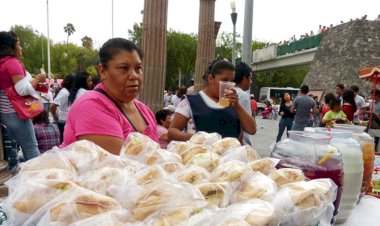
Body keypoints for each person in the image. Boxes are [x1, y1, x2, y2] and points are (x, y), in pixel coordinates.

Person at [62, 38, 158, 154]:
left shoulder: (145, 110)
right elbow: (118, 165)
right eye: (124, 68)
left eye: (138, 68)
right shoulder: (91, 106)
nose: (134, 76)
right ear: (103, 71)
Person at [168, 59, 256, 141]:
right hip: (201, 155)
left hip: (230, 156)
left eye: (232, 80)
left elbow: (252, 130)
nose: (229, 84)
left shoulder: (234, 104)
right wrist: (197, 138)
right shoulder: (190, 102)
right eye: (224, 80)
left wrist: (237, 106)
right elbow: (172, 132)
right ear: (210, 79)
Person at [0, 31, 45, 161]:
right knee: (31, 147)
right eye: (18, 44)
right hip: (16, 113)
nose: (21, 47)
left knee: (21, 147)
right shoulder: (12, 63)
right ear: (10, 47)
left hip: (5, 113)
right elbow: (22, 90)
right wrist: (38, 78)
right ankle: (37, 178)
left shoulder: (2, 63)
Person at [234, 62, 256, 145]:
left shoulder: (226, 92)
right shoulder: (243, 95)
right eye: (250, 78)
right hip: (241, 143)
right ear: (244, 78)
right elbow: (247, 127)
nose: (251, 82)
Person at [50, 74, 74, 143]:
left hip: (67, 121)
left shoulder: (68, 92)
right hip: (63, 121)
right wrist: (55, 117)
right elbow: (52, 106)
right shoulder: (64, 93)